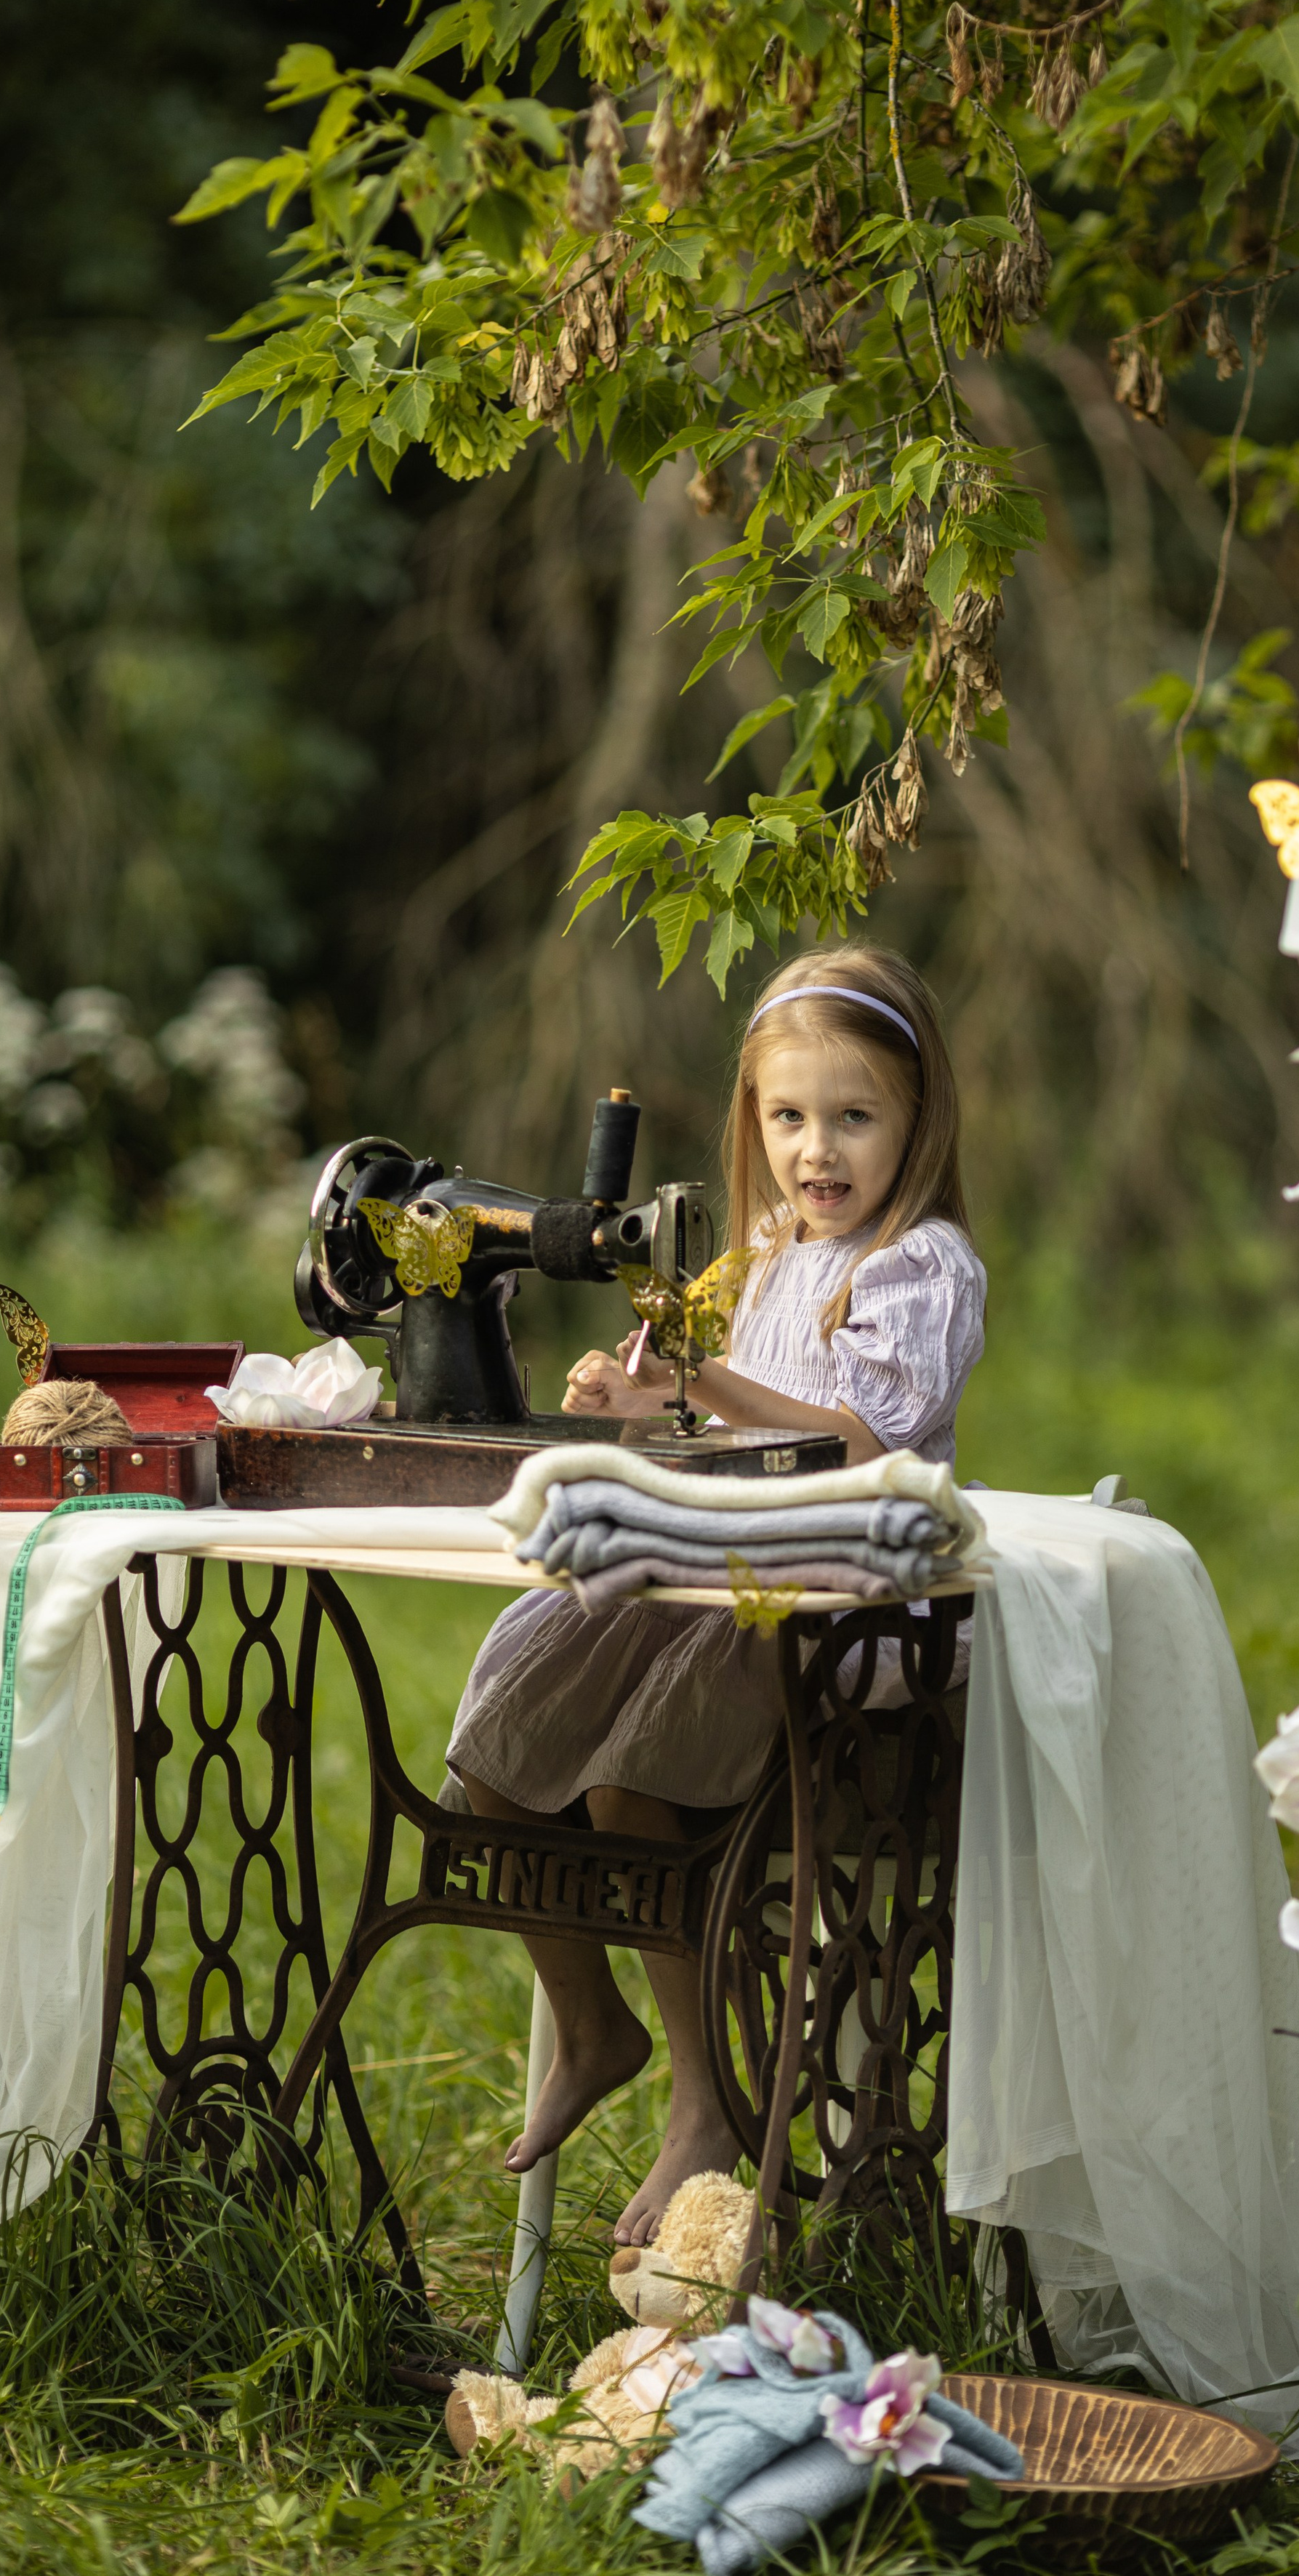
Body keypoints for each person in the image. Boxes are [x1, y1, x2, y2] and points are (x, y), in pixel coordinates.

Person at [445, 943, 987, 2242]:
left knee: (640, 1780)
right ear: (754, 1122)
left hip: (844, 1608)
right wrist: (633, 1398)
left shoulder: (924, 1267)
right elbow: (694, 1414)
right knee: (498, 1750)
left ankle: (705, 2100)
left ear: (916, 1122)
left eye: (855, 1117)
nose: (819, 1151)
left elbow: (866, 1438)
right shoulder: (753, 1257)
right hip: (720, 1577)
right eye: (789, 1117)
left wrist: (707, 1383)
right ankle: (593, 2027)